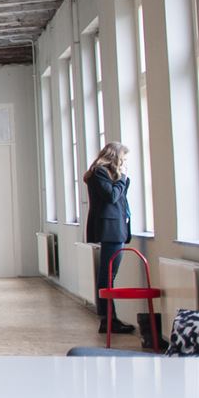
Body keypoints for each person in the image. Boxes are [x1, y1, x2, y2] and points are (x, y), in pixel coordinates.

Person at [84, 142, 135, 335]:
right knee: (107, 275)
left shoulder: (105, 173)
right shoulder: (100, 172)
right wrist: (122, 178)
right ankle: (108, 320)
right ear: (115, 156)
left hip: (115, 227)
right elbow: (112, 197)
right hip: (110, 229)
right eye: (124, 158)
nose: (125, 162)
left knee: (108, 275)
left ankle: (109, 319)